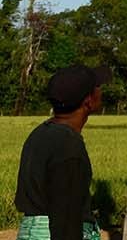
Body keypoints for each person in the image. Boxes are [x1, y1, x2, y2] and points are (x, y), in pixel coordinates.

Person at [15, 64, 111, 240]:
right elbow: (65, 217)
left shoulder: (40, 133)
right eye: (97, 87)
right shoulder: (69, 146)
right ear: (88, 101)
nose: (101, 90)